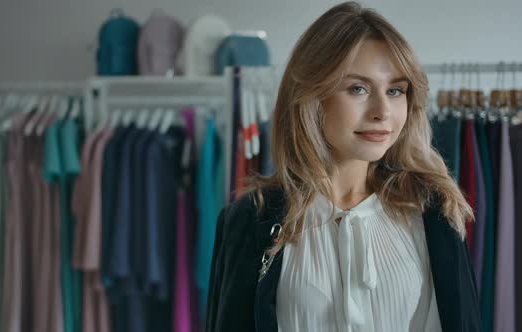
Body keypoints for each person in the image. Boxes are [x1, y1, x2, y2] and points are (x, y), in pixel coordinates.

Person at [206, 2, 481, 332]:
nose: (383, 111)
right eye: (358, 88)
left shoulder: (434, 213)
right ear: (312, 96)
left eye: (396, 90)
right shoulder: (251, 220)